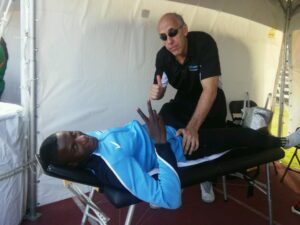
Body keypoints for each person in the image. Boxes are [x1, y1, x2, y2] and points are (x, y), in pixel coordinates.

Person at [40, 100, 300, 210]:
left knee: (205, 106)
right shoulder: (114, 164)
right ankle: (285, 141)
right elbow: (169, 199)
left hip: (167, 131)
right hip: (180, 151)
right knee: (239, 138)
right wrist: (161, 144)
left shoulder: (91, 142)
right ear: (74, 161)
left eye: (74, 133)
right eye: (75, 146)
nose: (81, 138)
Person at [150, 12, 226, 202]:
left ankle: (207, 179)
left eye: (173, 32)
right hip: (184, 98)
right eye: (163, 37)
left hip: (210, 96)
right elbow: (161, 88)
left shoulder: (204, 43)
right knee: (163, 122)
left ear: (184, 30)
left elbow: (210, 90)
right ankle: (170, 178)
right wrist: (158, 93)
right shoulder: (163, 56)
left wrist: (192, 127)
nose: (169, 41)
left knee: (205, 137)